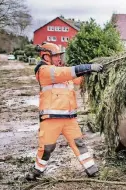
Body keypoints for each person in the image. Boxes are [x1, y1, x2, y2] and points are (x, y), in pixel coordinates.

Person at [25, 42, 104, 181]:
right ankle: (37, 170)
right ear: (46, 56)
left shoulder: (61, 70)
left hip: (69, 118)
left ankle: (92, 170)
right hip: (51, 119)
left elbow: (79, 79)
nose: (58, 58)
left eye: (59, 56)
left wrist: (93, 73)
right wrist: (87, 67)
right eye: (55, 56)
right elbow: (66, 73)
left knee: (79, 144)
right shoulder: (44, 71)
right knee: (46, 148)